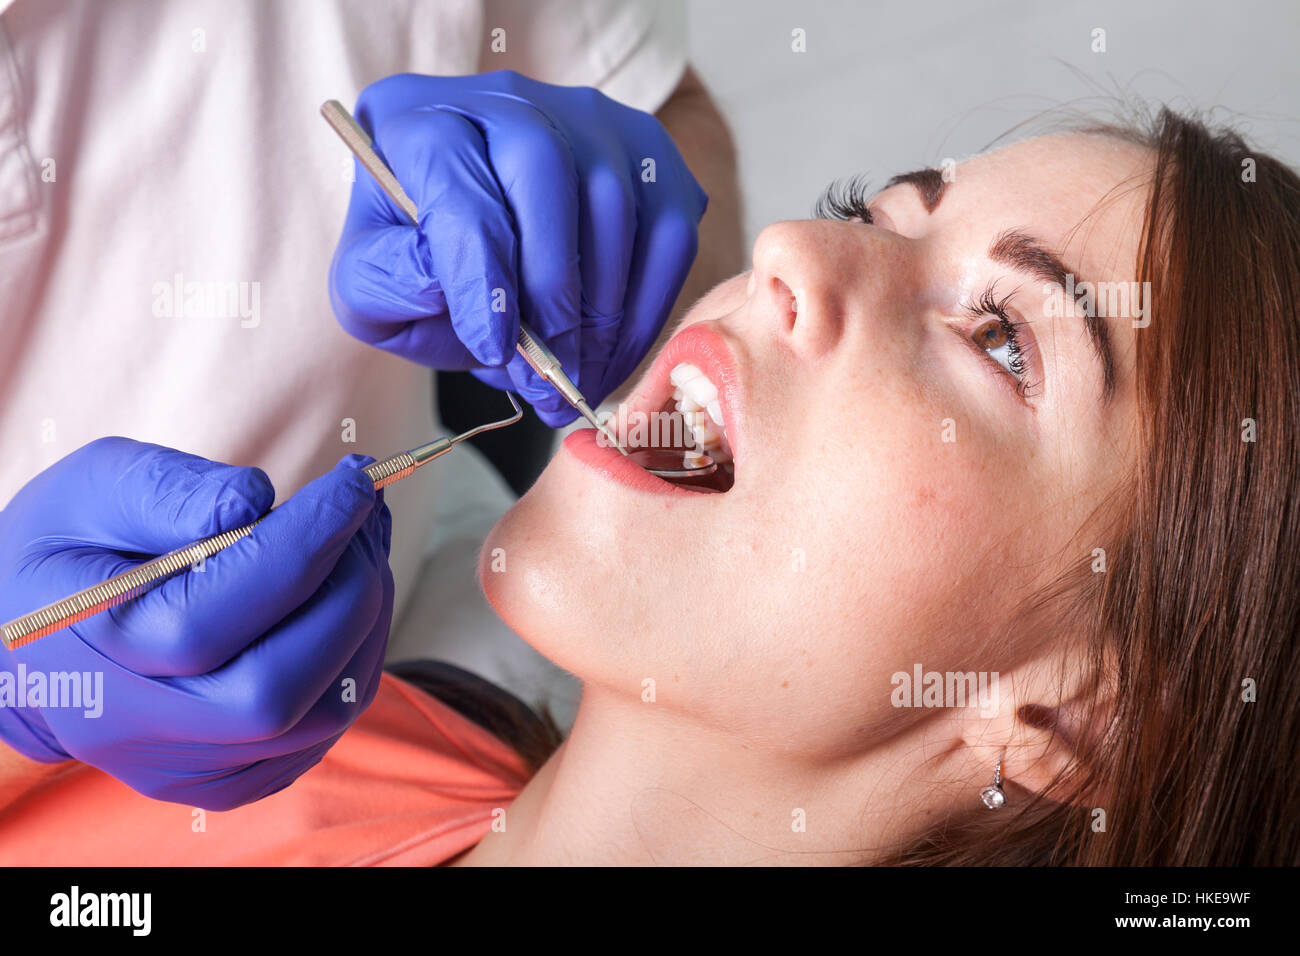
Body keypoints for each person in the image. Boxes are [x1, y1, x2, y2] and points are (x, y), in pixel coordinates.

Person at [2, 104, 1295, 866]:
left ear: (1084, 718)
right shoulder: (320, 733)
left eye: (1001, 338)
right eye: (876, 211)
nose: (792, 244)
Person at [0, 0, 741, 811]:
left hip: (425, 617)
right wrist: (23, 699)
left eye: (844, 207)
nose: (788, 247)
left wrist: (608, 225)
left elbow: (657, 102)